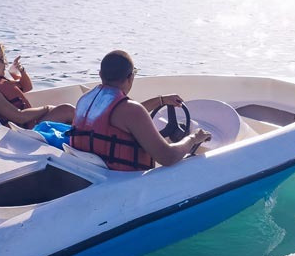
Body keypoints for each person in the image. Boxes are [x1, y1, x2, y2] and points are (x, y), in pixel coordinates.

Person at [70, 50, 211, 171]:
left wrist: (161, 100)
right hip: (127, 183)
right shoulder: (131, 111)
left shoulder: (85, 100)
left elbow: (123, 115)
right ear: (130, 77)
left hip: (92, 174)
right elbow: (168, 157)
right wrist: (193, 138)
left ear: (100, 74)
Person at [0, 40, 75, 127]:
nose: (5, 63)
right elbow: (19, 117)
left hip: (25, 126)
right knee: (67, 110)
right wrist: (46, 109)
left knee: (67, 112)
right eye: (1, 60)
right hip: (21, 134)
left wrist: (20, 71)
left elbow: (27, 87)